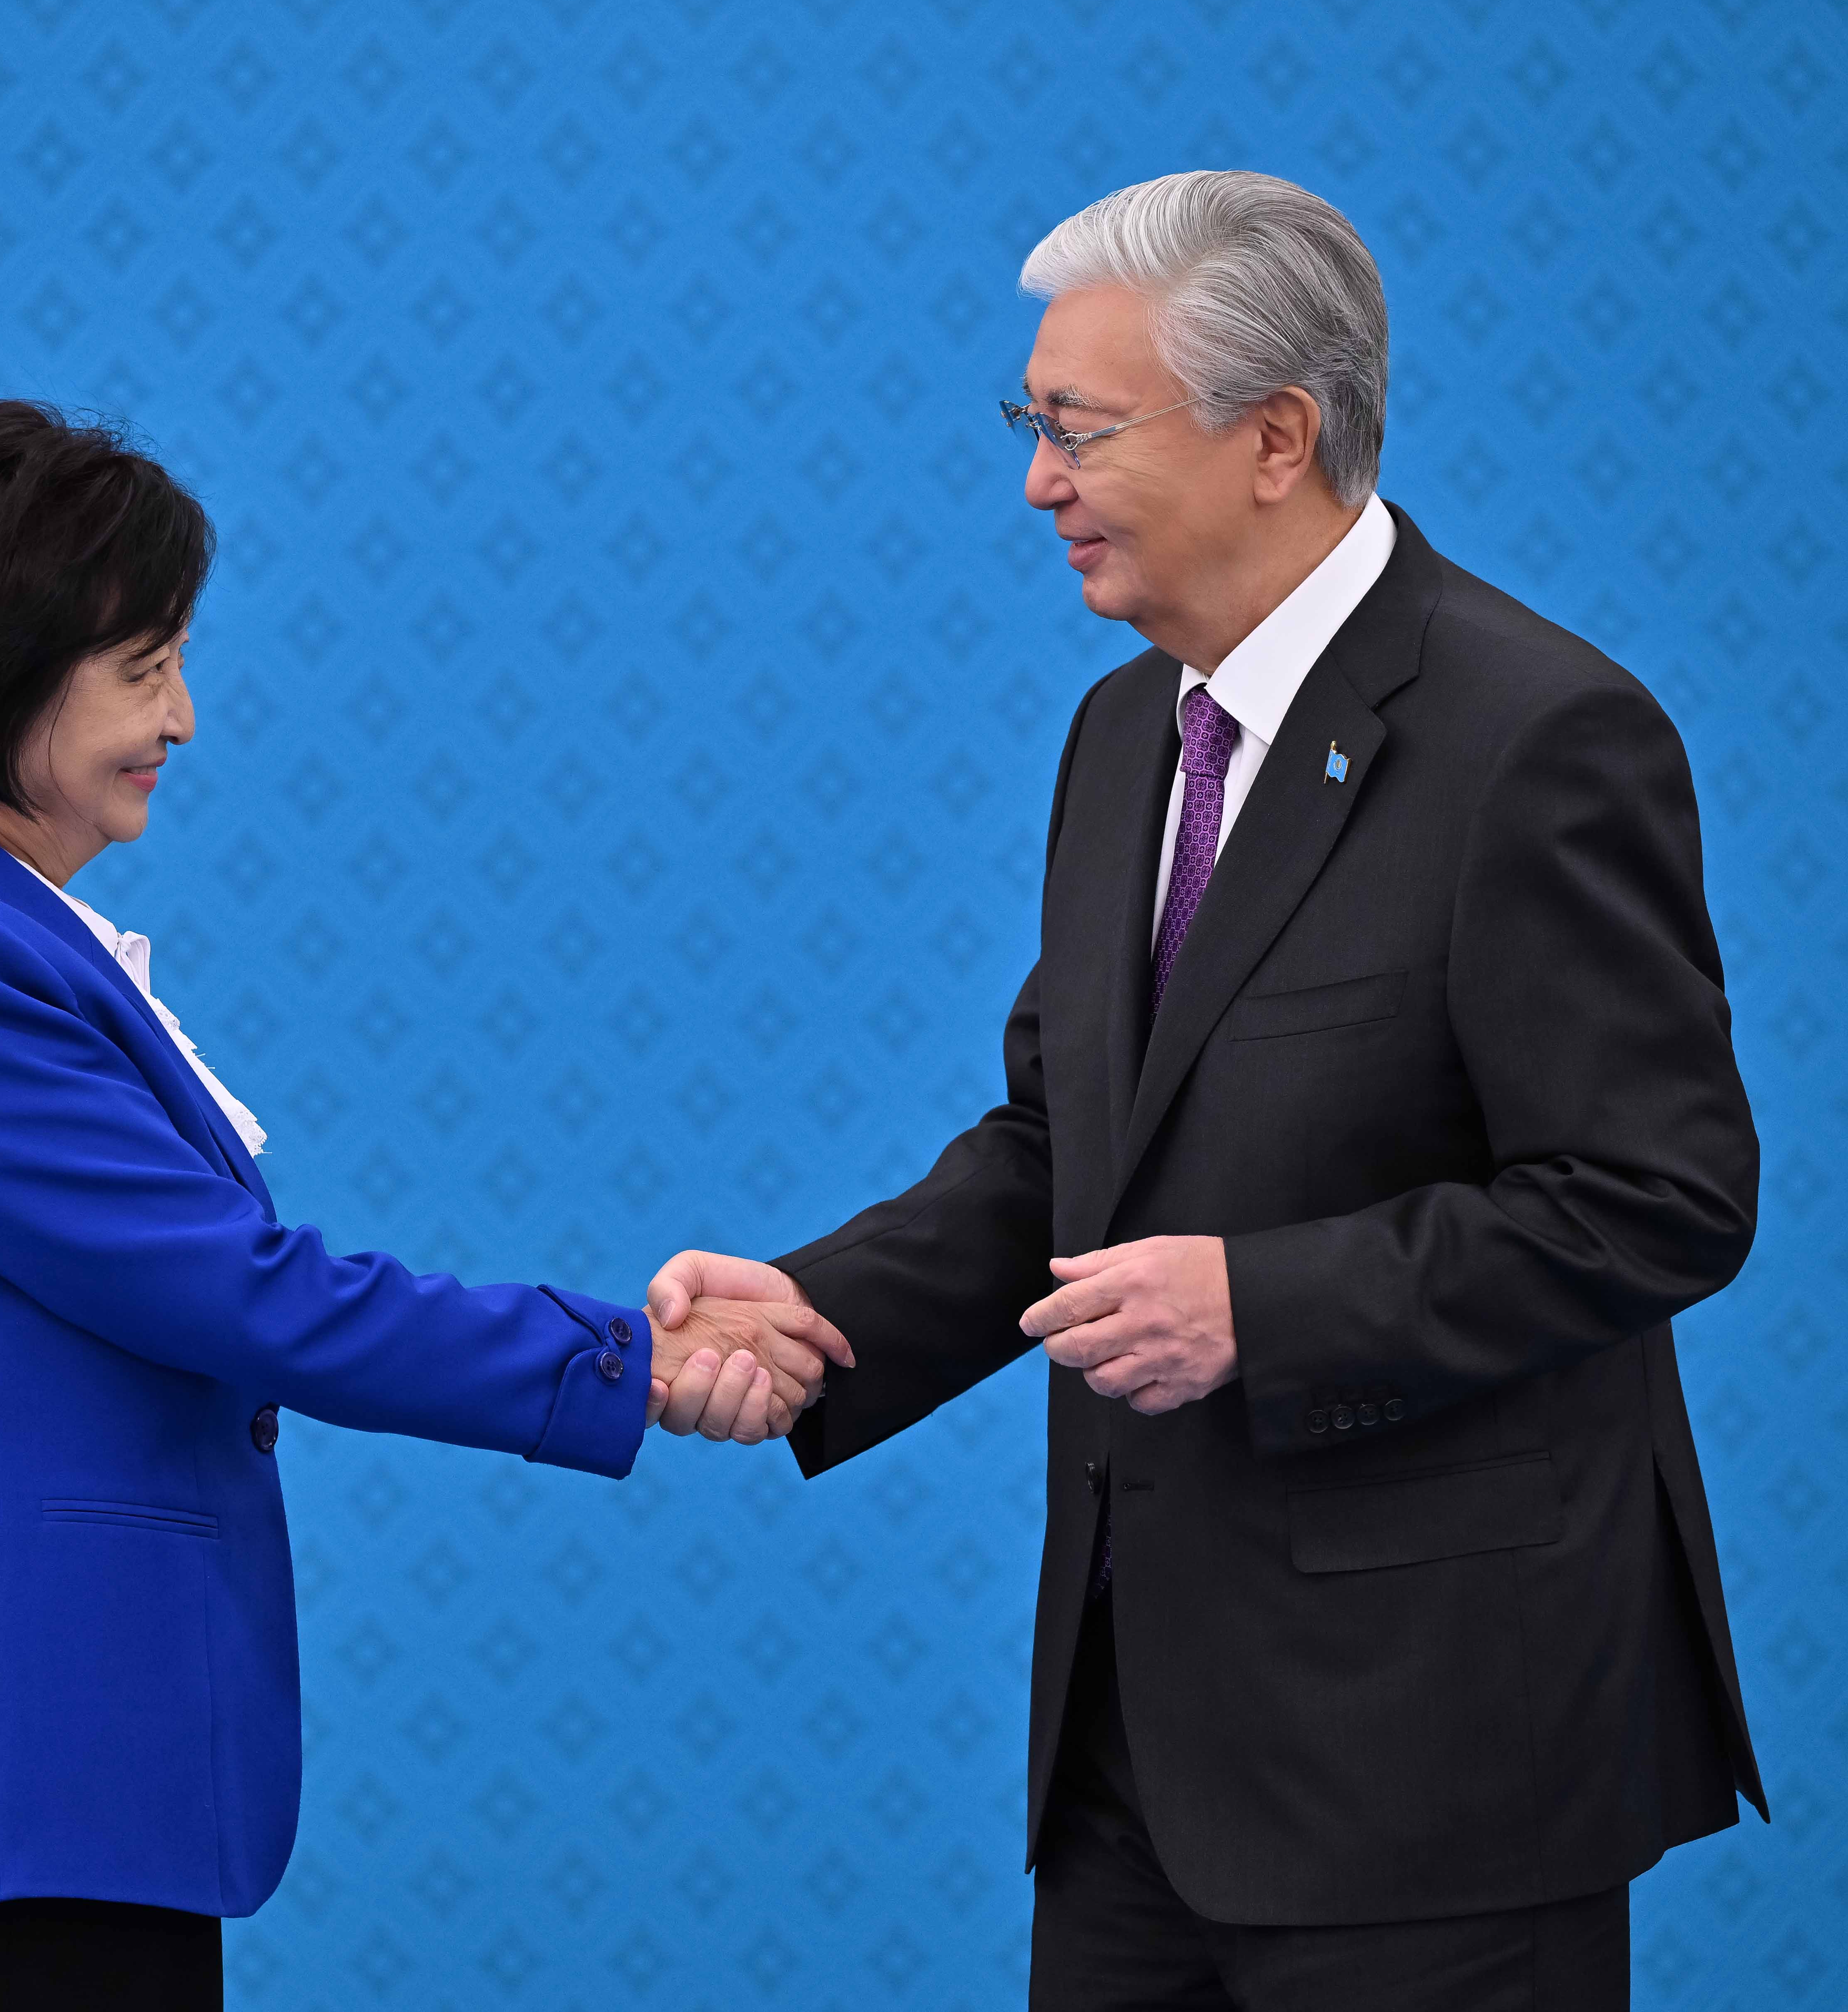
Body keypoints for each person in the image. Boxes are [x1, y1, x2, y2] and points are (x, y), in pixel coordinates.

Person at [650, 172, 1766, 2012]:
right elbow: (1064, 1148)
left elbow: (1659, 1196)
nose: (1038, 481)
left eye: (1081, 429)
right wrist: (819, 1309)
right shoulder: (1126, 732)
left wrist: (1266, 1304)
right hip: (1133, 1759)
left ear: (1276, 438)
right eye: (1030, 424)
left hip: (1438, 1762)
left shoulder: (1540, 735)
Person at [0, 400, 846, 2011]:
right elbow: (241, 1291)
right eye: (144, 668)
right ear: (0, 668)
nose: (183, 718)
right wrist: (626, 1360)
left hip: (42, 1788)